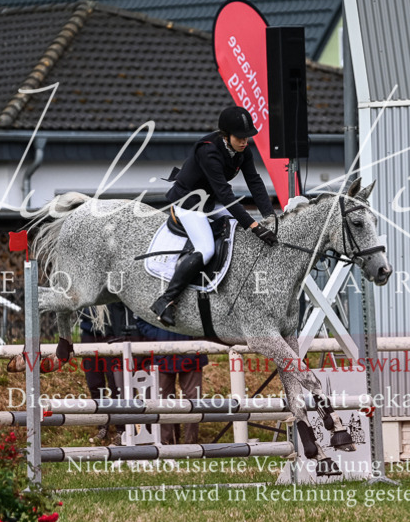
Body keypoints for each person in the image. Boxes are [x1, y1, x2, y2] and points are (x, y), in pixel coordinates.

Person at [150, 106, 279, 326]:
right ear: (225, 135)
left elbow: (255, 182)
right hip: (188, 203)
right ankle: (166, 300)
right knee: (206, 249)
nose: (244, 142)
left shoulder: (243, 150)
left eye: (247, 137)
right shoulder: (208, 151)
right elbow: (226, 195)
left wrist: (270, 217)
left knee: (241, 229)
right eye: (240, 137)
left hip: (210, 200)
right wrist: (255, 227)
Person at [135, 317, 208, 445]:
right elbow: (141, 319)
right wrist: (158, 336)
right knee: (163, 401)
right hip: (162, 355)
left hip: (191, 354)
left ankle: (191, 443)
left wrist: (195, 337)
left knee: (193, 399)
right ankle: (165, 442)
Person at [80, 303, 137, 445]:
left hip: (112, 333)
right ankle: (102, 426)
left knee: (115, 384)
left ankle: (121, 429)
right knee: (94, 383)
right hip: (89, 334)